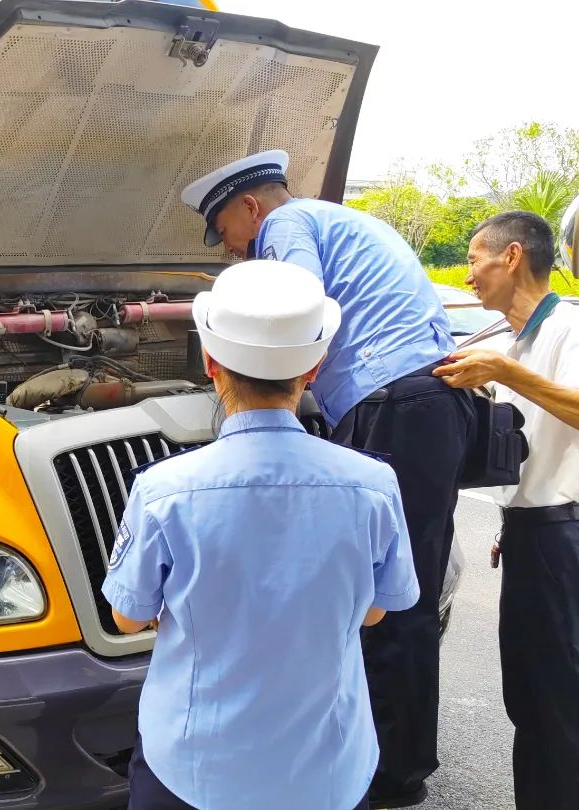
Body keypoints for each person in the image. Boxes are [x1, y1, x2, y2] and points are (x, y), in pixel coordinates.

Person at [180, 150, 475, 808]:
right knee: (406, 591)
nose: (229, 248)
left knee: (384, 596)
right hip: (425, 403)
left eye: (224, 229)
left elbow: (292, 310)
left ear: (250, 206)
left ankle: (388, 775)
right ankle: (396, 763)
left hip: (395, 403)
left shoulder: (287, 229)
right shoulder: (339, 220)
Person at [103, 260, 419, 810]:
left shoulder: (163, 490)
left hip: (191, 769)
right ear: (315, 368)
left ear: (209, 362)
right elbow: (375, 611)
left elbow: (128, 617)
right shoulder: (374, 485)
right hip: (329, 771)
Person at [433, 210, 579, 809]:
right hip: (526, 533)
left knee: (558, 697)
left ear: (513, 256)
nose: (469, 275)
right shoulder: (503, 341)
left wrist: (506, 373)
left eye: (474, 260)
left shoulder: (568, 326)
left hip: (563, 535)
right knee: (528, 692)